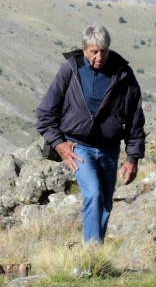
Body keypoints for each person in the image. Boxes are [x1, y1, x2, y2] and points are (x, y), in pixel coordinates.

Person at [35, 25, 145, 244]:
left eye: (103, 51)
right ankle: (92, 253)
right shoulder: (70, 70)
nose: (99, 56)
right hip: (78, 147)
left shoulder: (123, 74)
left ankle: (97, 254)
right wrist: (60, 145)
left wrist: (132, 158)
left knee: (105, 202)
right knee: (93, 194)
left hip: (109, 149)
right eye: (94, 51)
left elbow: (135, 119)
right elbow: (45, 113)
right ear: (84, 49)